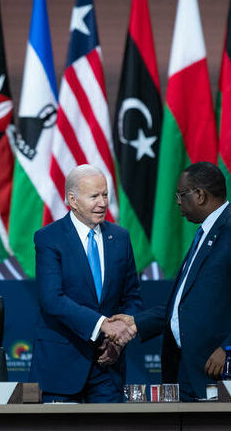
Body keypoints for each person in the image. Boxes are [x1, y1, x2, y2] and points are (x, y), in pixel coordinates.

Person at [111, 161, 231, 401]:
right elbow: (187, 303)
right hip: (187, 369)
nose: (178, 201)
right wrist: (137, 322)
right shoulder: (206, 233)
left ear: (200, 195)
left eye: (181, 195)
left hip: (220, 372)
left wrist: (229, 349)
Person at [29, 164, 142, 403]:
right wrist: (102, 325)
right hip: (61, 367)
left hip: (108, 366)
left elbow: (132, 297)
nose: (102, 202)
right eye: (94, 196)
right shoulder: (49, 238)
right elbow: (52, 299)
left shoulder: (120, 237)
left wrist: (118, 340)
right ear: (73, 200)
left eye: (105, 195)